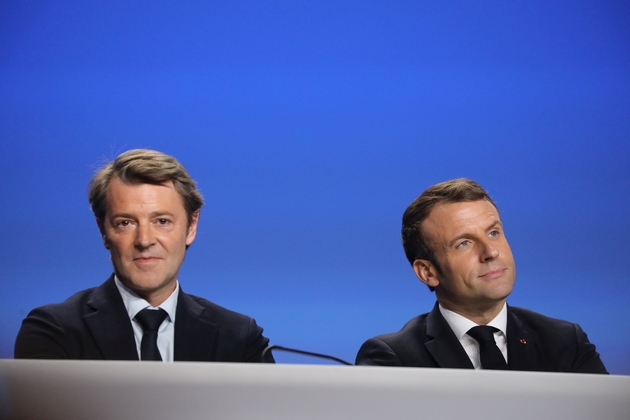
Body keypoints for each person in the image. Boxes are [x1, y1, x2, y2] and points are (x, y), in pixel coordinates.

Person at [15, 149, 273, 362]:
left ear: (191, 227)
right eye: (125, 223)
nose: (144, 240)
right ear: (103, 231)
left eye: (162, 221)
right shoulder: (55, 331)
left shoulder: (240, 338)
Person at [355, 178, 607, 373]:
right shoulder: (393, 358)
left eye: (494, 233)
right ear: (428, 272)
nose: (490, 252)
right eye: (464, 243)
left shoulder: (564, 342)